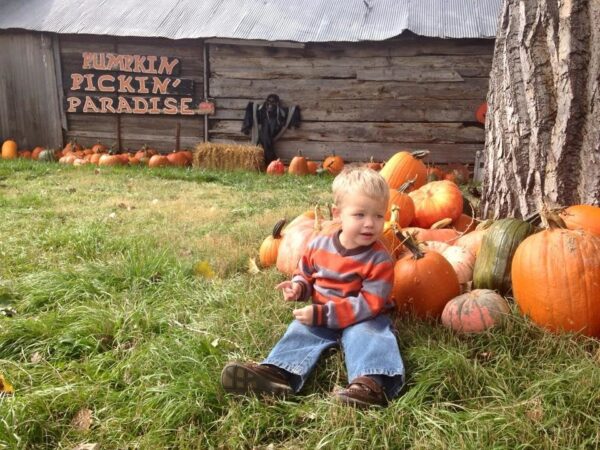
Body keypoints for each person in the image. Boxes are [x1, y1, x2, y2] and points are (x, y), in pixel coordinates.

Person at [221, 167, 405, 408]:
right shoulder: (319, 244)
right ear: (338, 214)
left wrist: (323, 313)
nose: (370, 224)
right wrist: (299, 287)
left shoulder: (379, 259)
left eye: (378, 216)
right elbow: (306, 273)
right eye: (360, 215)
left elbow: (369, 304)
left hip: (363, 318)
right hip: (322, 315)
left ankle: (370, 383)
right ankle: (277, 373)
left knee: (370, 336)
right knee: (300, 331)